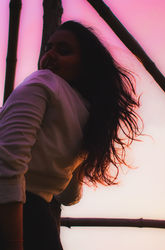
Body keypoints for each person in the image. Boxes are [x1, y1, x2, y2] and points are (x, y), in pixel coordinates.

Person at [0, 21, 140, 250]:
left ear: (86, 66)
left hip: (12, 213)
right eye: (49, 48)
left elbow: (6, 163)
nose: (51, 54)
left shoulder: (43, 82)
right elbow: (68, 195)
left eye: (64, 51)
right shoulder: (90, 117)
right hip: (35, 220)